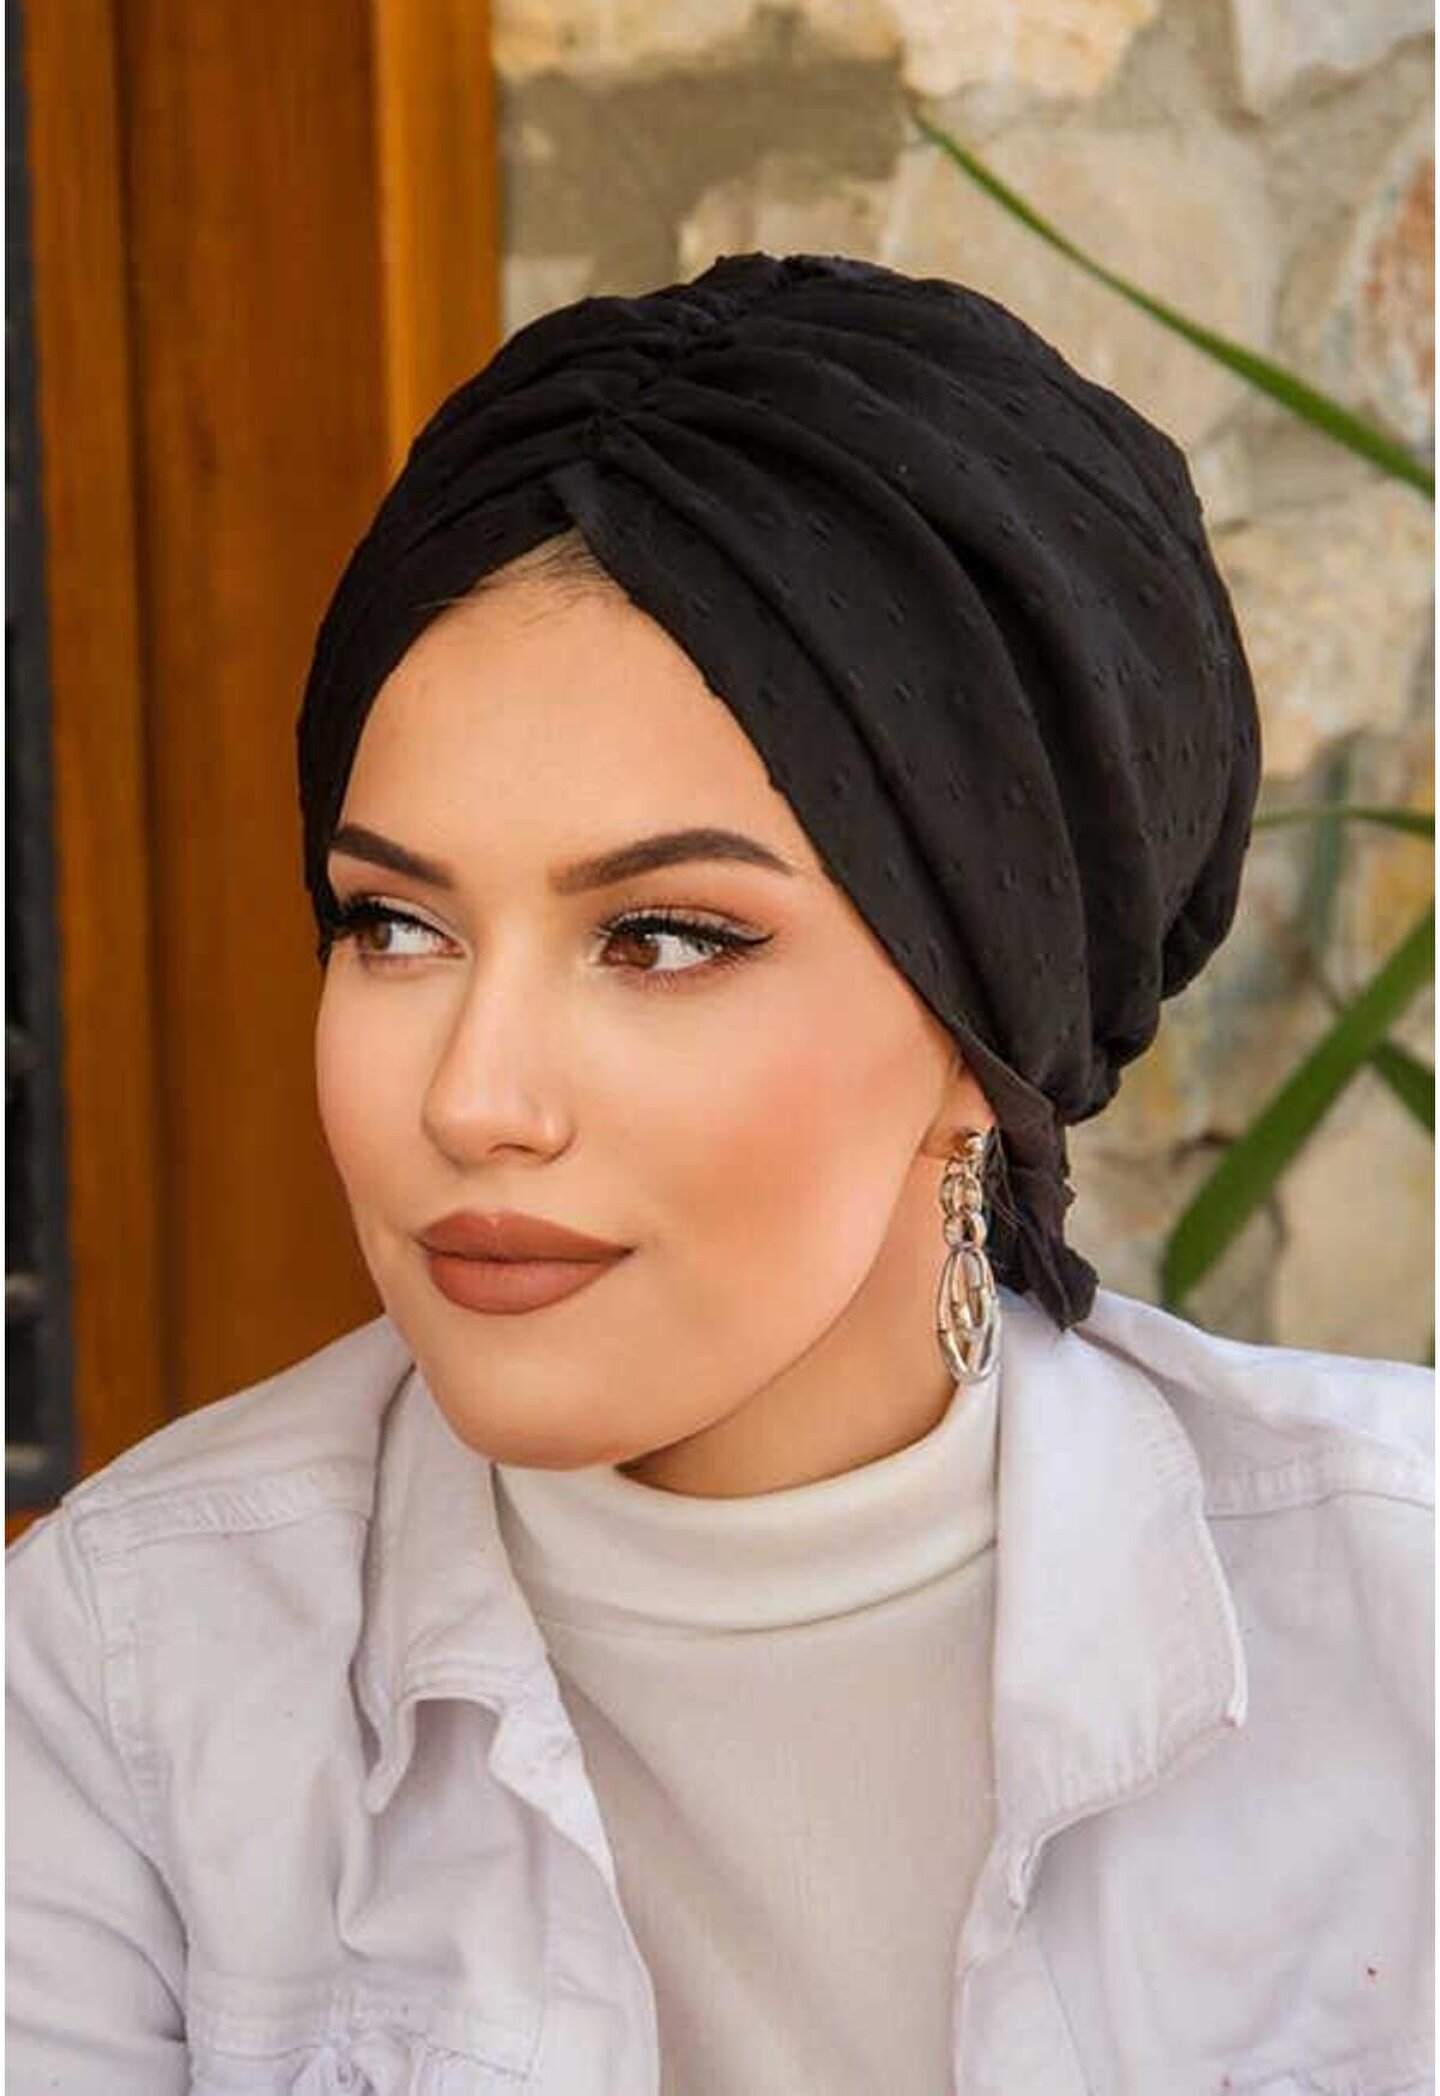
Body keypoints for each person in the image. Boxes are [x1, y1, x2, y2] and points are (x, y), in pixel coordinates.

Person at [7, 252, 1432, 2096]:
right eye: (395, 925)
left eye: (665, 938)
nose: (475, 1099)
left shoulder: (1397, 1622)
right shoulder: (122, 1678)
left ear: (982, 1026)